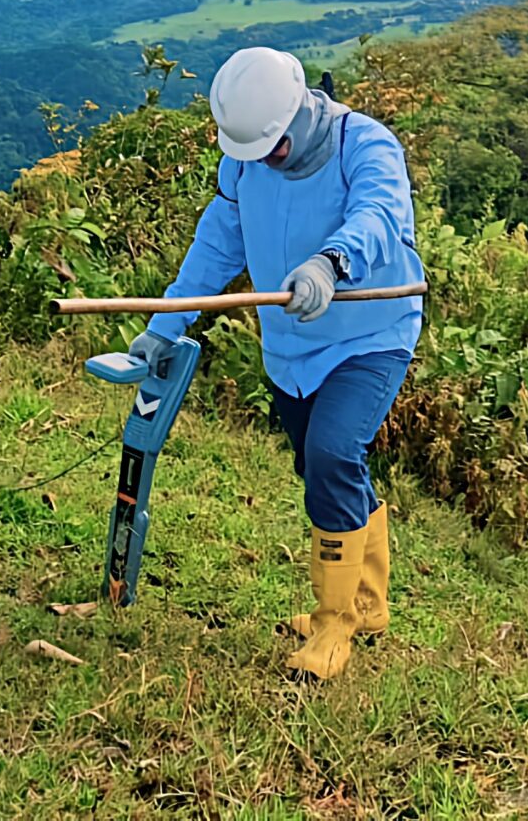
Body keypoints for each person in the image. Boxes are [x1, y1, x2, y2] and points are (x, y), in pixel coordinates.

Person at [126, 45, 425, 681]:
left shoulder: (364, 145)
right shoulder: (244, 165)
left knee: (333, 454)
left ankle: (334, 623)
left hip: (369, 336)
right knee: (320, 467)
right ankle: (368, 604)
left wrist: (330, 263)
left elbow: (379, 217)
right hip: (289, 351)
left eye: (274, 149)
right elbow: (217, 246)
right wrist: (164, 325)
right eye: (254, 153)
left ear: (300, 113)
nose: (265, 161)